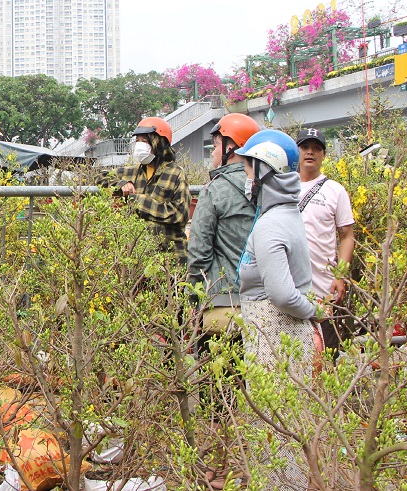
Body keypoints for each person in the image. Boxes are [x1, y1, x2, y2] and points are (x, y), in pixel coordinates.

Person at [235, 129, 319, 490]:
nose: (247, 178)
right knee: (286, 422)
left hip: (275, 335)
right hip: (278, 336)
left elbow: (283, 295)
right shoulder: (285, 212)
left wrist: (313, 311)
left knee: (274, 424)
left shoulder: (270, 225)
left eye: (250, 169)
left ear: (267, 170)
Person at [188, 113, 261, 328]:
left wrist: (192, 299)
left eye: (217, 144)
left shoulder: (215, 190)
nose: (213, 151)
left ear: (232, 147)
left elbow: (198, 255)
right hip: (265, 305)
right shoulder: (268, 186)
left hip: (224, 304)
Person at [98, 117, 191, 261]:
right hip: (138, 259)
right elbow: (100, 177)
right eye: (138, 141)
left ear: (159, 143)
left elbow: (180, 214)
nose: (140, 146)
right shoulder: (131, 172)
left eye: (145, 141)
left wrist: (139, 202)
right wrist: (121, 184)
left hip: (171, 257)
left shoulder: (175, 173)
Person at [296, 128, 355, 355]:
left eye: (316, 148)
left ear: (324, 155)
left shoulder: (335, 191)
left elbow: (347, 236)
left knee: (325, 356)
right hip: (289, 291)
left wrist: (340, 276)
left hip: (324, 292)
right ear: (297, 151)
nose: (310, 153)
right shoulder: (282, 186)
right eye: (305, 147)